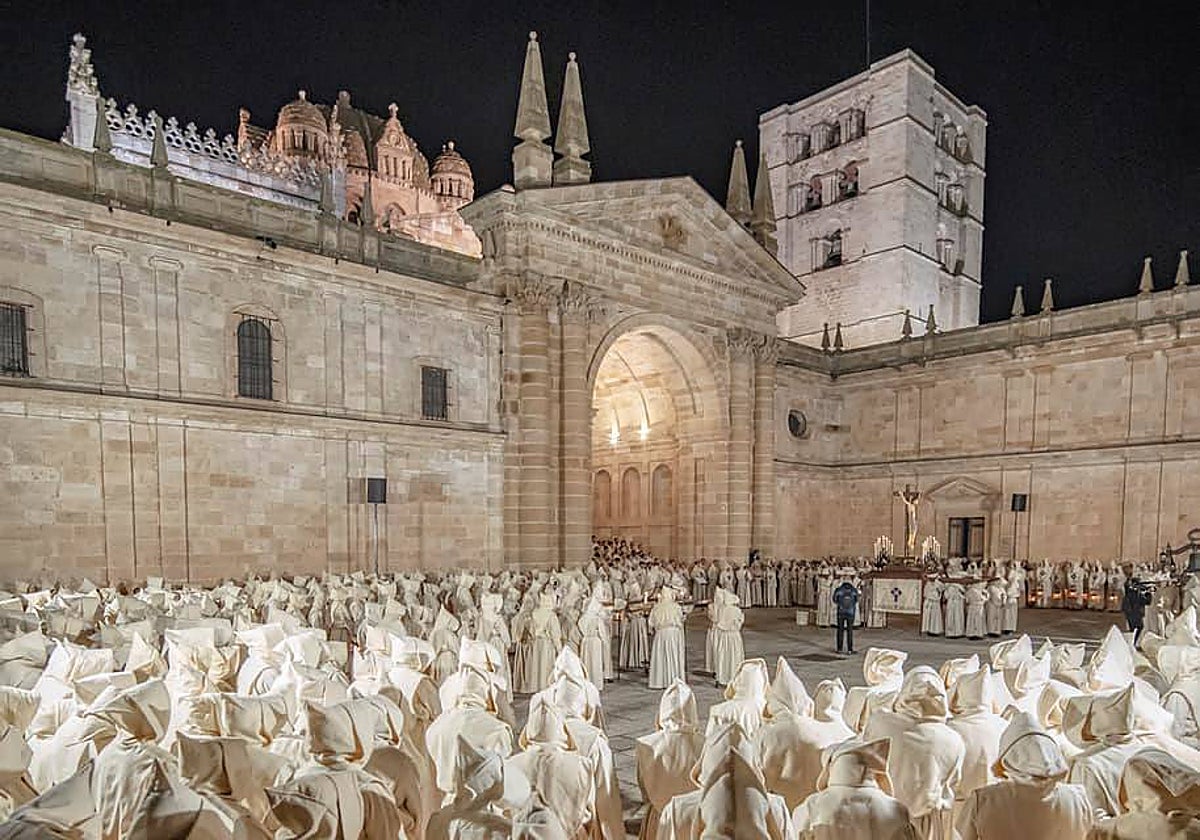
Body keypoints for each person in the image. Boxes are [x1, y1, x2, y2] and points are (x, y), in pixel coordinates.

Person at [833, 578, 859, 655]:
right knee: (849, 631)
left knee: (840, 630)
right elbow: (856, 599)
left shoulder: (839, 589)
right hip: (850, 612)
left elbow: (834, 599)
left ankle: (839, 649)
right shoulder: (853, 590)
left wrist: (839, 603)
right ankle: (849, 649)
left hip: (841, 612)